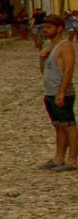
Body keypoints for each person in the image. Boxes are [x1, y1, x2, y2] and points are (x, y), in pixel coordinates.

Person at [39, 20, 75, 171]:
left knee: (69, 126)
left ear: (59, 28)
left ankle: (72, 159)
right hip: (50, 92)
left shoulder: (65, 46)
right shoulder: (49, 47)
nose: (45, 30)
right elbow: (43, 72)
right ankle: (58, 158)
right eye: (44, 27)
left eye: (49, 27)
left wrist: (61, 91)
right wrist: (42, 58)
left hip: (62, 93)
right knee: (58, 127)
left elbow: (68, 69)